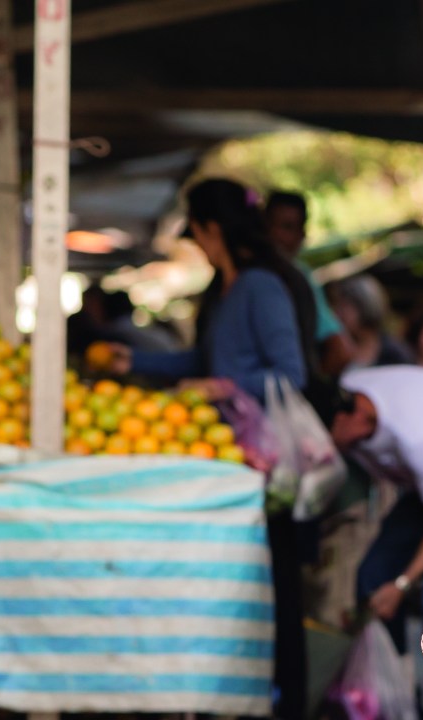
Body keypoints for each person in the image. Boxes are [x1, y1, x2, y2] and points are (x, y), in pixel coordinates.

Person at [106, 178, 319, 720]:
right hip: (226, 465)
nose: (196, 244)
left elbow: (290, 373)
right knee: (235, 590)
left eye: (196, 233)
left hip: (267, 467)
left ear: (211, 229)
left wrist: (225, 389)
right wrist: (136, 364)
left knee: (275, 591)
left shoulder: (260, 286)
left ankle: (281, 703)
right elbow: (205, 362)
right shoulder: (220, 292)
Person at [329, 365, 423, 720]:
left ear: (361, 417)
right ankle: (396, 698)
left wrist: (402, 584)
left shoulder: (416, 437)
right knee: (371, 577)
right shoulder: (348, 387)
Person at [265, 190, 357, 378]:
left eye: (287, 227)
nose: (277, 235)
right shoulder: (258, 276)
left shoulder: (299, 278)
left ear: (302, 235)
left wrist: (309, 390)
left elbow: (341, 351)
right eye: (272, 226)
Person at [326, 274, 413, 371]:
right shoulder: (335, 347)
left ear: (363, 306)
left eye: (343, 306)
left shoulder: (394, 353)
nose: (336, 313)